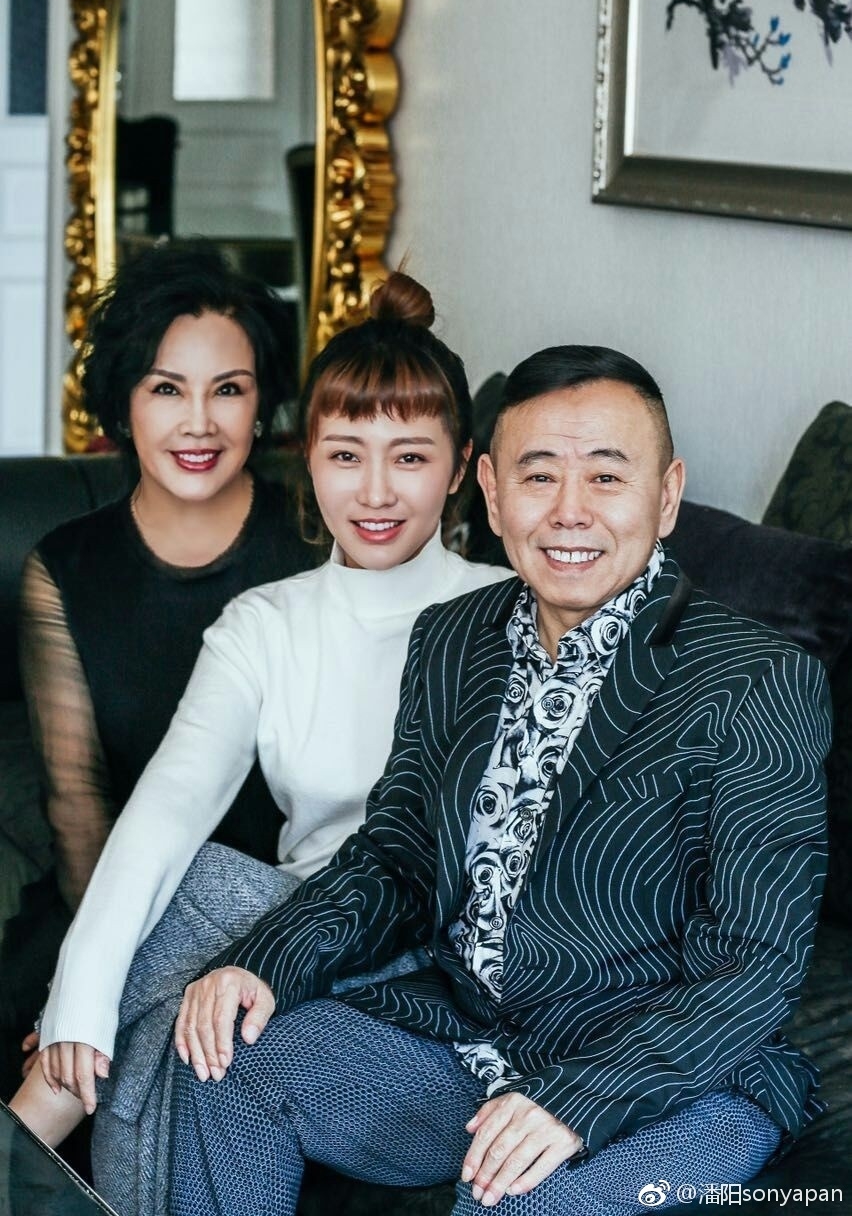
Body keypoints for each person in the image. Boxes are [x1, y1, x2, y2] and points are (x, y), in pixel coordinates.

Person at [169, 346, 830, 1216]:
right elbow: (396, 859)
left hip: (684, 1077)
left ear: (666, 496)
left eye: (606, 477)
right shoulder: (453, 638)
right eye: (538, 475)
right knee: (223, 1054)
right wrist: (264, 963)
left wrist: (580, 1099)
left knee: (514, 1202)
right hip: (473, 1042)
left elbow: (755, 963)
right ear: (489, 491)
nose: (569, 511)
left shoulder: (759, 678)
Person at [10, 269, 509, 1215]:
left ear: (461, 469)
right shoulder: (265, 622)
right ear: (307, 458)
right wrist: (81, 1001)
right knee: (180, 1005)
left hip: (431, 951)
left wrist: (82, 994)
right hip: (295, 943)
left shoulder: (505, 611)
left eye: (409, 457)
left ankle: (25, 1136)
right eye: (345, 455)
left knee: (194, 900)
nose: (374, 492)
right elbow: (167, 803)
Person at [3, 242, 313, 1097]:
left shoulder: (320, 542)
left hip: (274, 918)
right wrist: (103, 978)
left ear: (262, 405)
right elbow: (77, 805)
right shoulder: (64, 568)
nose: (200, 423)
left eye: (229, 390)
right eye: (167, 389)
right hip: (108, 903)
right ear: (124, 404)